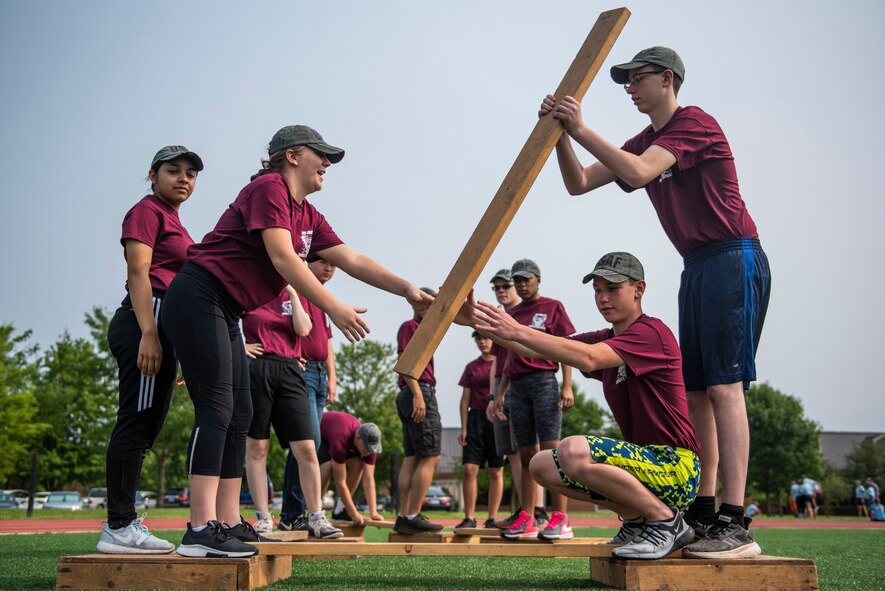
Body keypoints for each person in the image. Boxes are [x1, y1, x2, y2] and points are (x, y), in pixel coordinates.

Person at [540, 46, 770, 558]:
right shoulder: (644, 141)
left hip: (733, 256)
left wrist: (579, 127)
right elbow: (579, 183)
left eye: (636, 78)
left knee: (725, 385)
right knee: (697, 392)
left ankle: (736, 522)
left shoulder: (693, 124)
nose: (629, 87)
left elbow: (641, 172)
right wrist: (559, 135)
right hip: (697, 265)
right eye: (624, 80)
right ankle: (703, 513)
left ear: (667, 78)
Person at [160, 125, 431, 557]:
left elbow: (352, 258)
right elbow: (283, 257)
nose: (327, 164)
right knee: (216, 408)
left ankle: (229, 522)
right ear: (291, 156)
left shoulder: (308, 215)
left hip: (226, 308)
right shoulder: (269, 188)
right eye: (320, 155)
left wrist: (407, 290)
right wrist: (335, 307)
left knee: (241, 412)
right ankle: (198, 529)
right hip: (198, 296)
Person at [474, 252, 707, 559]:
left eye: (612, 289)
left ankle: (666, 522)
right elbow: (535, 347)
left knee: (573, 450)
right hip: (643, 468)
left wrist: (516, 328)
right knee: (541, 465)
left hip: (675, 467)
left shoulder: (651, 333)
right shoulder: (606, 338)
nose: (603, 298)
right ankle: (637, 521)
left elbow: (588, 357)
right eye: (598, 290)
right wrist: (469, 319)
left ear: (639, 289)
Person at [98, 146, 203, 555]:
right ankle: (119, 526)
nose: (183, 178)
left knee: (146, 428)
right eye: (173, 171)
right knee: (136, 425)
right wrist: (150, 334)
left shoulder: (174, 219)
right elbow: (138, 272)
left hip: (163, 327)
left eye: (191, 174)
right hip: (145, 322)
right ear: (153, 175)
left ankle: (123, 523)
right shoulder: (146, 211)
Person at [241, 254, 340, 538]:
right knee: (258, 448)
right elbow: (224, 321)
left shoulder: (293, 292)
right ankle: (262, 517)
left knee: (307, 447)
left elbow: (303, 328)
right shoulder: (250, 291)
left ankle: (317, 517)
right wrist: (241, 347)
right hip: (257, 370)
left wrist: (293, 292)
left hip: (290, 369)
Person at [494, 259, 575, 540]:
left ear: (538, 280)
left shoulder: (552, 307)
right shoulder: (512, 313)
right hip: (517, 386)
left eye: (526, 279)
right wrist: (501, 392)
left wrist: (567, 386)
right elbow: (508, 358)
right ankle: (527, 517)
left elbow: (567, 347)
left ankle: (561, 517)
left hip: (544, 382)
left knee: (553, 451)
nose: (521, 284)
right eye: (517, 280)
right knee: (527, 453)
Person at [485, 269, 546, 530]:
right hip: (504, 384)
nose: (501, 291)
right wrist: (493, 395)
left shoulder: (528, 316)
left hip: (526, 381)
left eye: (505, 285)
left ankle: (539, 511)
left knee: (532, 451)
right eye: (496, 287)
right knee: (513, 453)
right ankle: (524, 511)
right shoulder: (504, 318)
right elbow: (497, 360)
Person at [393, 288, 445, 534]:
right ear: (416, 305)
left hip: (414, 391)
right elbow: (404, 362)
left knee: (413, 457)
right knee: (431, 456)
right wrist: (417, 394)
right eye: (425, 305)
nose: (429, 309)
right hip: (418, 390)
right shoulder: (409, 327)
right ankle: (412, 515)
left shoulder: (427, 329)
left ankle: (404, 515)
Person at [456, 331, 504, 529]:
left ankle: (492, 518)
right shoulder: (471, 367)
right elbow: (465, 399)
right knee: (469, 469)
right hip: (475, 419)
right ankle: (469, 517)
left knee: (496, 470)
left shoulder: (501, 363)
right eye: (478, 339)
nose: (482, 342)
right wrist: (464, 428)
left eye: (485, 338)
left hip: (497, 419)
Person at [315, 411, 383, 525]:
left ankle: (340, 510)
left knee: (358, 464)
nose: (369, 452)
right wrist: (353, 514)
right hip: (320, 432)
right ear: (357, 438)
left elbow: (369, 480)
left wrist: (373, 512)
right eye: (366, 449)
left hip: (339, 436)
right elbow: (340, 483)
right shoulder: (340, 442)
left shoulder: (370, 445)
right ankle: (315, 511)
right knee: (328, 466)